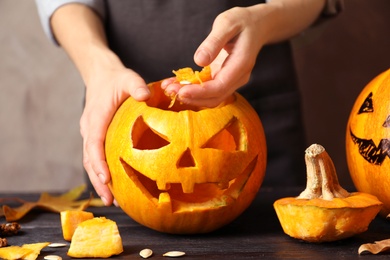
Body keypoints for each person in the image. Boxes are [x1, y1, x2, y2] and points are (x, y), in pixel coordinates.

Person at [35, 0, 344, 206]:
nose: (188, 162)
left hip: (254, 107)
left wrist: (260, 22)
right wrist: (98, 65)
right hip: (119, 103)